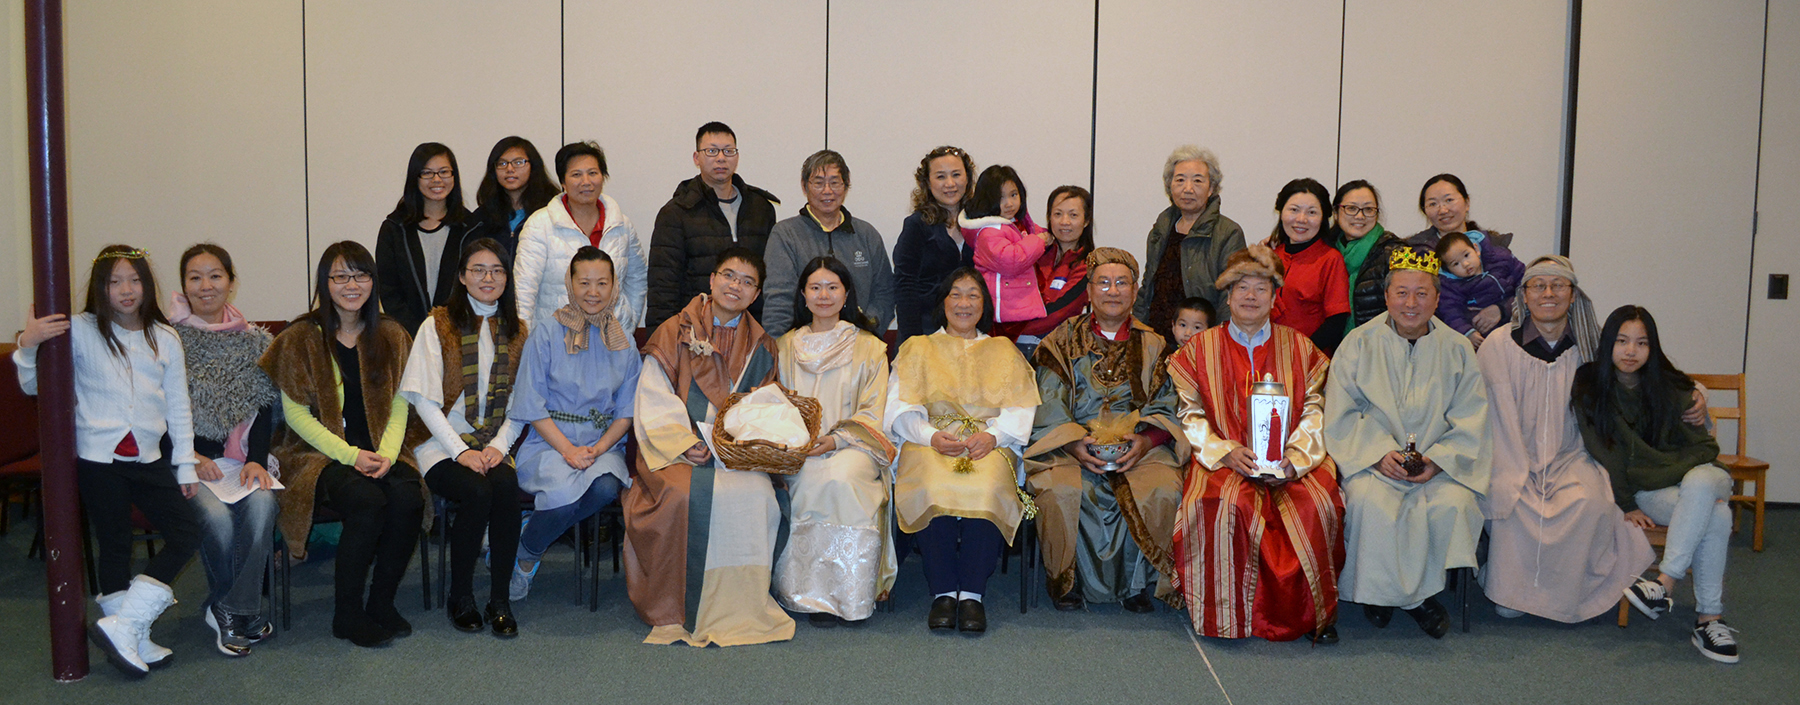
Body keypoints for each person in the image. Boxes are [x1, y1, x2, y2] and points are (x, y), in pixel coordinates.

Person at [14, 245, 201, 675]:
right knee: (114, 542)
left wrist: (185, 463)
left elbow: (179, 406)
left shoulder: (165, 336)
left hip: (149, 456)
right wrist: (27, 343)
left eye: (134, 280)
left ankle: (126, 626)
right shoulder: (79, 330)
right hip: (98, 457)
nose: (126, 290)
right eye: (115, 282)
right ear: (101, 287)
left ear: (146, 284)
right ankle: (131, 635)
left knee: (185, 532)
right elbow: (33, 386)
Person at [1166, 245, 1344, 643]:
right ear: (1228, 296)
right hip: (1224, 459)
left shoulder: (1301, 348)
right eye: (1242, 287)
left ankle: (1311, 615)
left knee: (1317, 504)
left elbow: (1316, 409)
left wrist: (1296, 459)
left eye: (1261, 288)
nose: (1251, 296)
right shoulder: (1198, 350)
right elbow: (1188, 413)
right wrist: (1224, 451)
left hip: (1291, 460)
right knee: (1225, 504)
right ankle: (1227, 616)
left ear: (1274, 296)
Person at [260, 241, 426, 648]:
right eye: (340, 276)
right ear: (325, 282)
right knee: (367, 501)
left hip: (381, 448)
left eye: (360, 275)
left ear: (373, 281)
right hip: (316, 454)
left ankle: (381, 603)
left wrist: (386, 454)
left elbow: (401, 402)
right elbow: (297, 416)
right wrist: (351, 455)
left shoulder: (391, 334)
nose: (352, 285)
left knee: (409, 497)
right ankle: (346, 614)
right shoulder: (300, 337)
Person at [1476, 255, 1656, 623]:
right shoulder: (1499, 345)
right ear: (1524, 295)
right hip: (1512, 454)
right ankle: (1511, 591)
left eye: (1558, 285)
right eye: (1538, 285)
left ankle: (1567, 593)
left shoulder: (1592, 346)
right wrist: (1513, 463)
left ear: (1573, 295)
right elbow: (1484, 411)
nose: (1548, 293)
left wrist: (1696, 394)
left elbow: (1646, 376)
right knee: (1513, 501)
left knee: (1589, 501)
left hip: (1573, 454)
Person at [626, 246, 790, 647]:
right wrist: (683, 443)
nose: (736, 286)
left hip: (737, 453)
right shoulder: (674, 331)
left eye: (747, 282)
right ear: (712, 280)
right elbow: (653, 395)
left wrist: (742, 447)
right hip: (676, 448)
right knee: (681, 496)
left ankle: (742, 605)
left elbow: (765, 408)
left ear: (756, 294)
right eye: (729, 276)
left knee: (758, 495)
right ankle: (678, 608)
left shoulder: (763, 346)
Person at [1324, 247, 1491, 639]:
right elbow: (1341, 412)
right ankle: (1392, 597)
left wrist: (1438, 460)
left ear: (1437, 298)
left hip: (1438, 465)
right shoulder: (1358, 343)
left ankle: (1409, 597)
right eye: (1401, 293)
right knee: (1369, 503)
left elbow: (1471, 416)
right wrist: (1378, 454)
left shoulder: (1458, 349)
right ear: (1386, 296)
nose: (1411, 303)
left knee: (1453, 504)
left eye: (1421, 293)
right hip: (1374, 462)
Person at [1573, 305, 1740, 663]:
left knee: (1700, 481)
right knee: (1718, 516)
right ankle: (1710, 618)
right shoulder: (1590, 387)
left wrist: (1666, 467)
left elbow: (1706, 449)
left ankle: (1664, 583)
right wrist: (1626, 503)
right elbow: (1606, 453)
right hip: (1656, 492)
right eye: (1621, 341)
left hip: (1705, 477)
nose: (1630, 351)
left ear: (1652, 348)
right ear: (1608, 343)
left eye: (1641, 343)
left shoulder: (1670, 386)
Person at [1024, 248, 1187, 613]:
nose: (1113, 291)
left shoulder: (1155, 344)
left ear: (1135, 290)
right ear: (1089, 290)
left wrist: (1146, 441)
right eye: (1104, 283)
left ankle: (1137, 584)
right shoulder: (1060, 340)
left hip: (1138, 448)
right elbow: (1048, 400)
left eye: (1122, 283)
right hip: (1070, 443)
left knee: (1162, 488)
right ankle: (1067, 583)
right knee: (1060, 490)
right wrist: (1073, 444)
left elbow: (1168, 403)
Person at [886, 267, 1040, 634]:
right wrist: (930, 436)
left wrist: (994, 436)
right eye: (955, 294)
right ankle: (943, 592)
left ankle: (972, 594)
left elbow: (1022, 408)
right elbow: (899, 406)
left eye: (973, 295)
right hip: (930, 440)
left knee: (988, 485)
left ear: (984, 304)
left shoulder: (1003, 350)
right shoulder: (918, 347)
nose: (964, 303)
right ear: (942, 302)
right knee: (931, 483)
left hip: (989, 442)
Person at [398, 238, 528, 637]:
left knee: (506, 486)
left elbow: (521, 404)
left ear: (507, 278)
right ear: (461, 276)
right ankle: (461, 596)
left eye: (497, 270)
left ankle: (500, 599)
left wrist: (497, 447)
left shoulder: (519, 330)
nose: (488, 278)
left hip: (491, 443)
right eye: (478, 270)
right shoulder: (437, 325)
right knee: (476, 491)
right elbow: (423, 401)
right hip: (439, 443)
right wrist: (459, 451)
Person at [507, 247, 640, 603]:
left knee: (606, 488)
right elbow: (531, 404)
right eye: (584, 283)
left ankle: (527, 536)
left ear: (614, 286)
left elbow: (626, 412)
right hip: (549, 443)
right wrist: (567, 450)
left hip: (602, 444)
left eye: (602, 283)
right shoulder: (546, 333)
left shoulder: (624, 342)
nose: (593, 292)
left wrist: (598, 448)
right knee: (563, 501)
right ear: (569, 283)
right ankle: (527, 558)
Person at [772, 257, 898, 627]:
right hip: (799, 447)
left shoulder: (870, 348)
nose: (823, 295)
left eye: (832, 287)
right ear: (803, 295)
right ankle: (812, 595)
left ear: (846, 295)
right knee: (809, 478)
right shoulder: (784, 348)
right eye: (815, 287)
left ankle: (849, 594)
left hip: (854, 445)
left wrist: (835, 440)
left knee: (842, 479)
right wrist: (798, 441)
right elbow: (774, 405)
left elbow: (874, 409)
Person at [170, 243, 281, 657]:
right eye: (195, 277)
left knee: (263, 505)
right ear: (184, 285)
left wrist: (256, 460)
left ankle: (228, 608)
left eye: (215, 276)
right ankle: (239, 611)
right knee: (217, 521)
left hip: (240, 461)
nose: (206, 286)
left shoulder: (256, 342)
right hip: (186, 461)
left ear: (231, 283)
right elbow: (155, 412)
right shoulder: (167, 340)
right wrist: (189, 456)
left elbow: (265, 407)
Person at [647, 121, 782, 331]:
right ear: (696, 158)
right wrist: (662, 340)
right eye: (711, 151)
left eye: (728, 151)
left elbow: (770, 279)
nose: (721, 158)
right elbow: (663, 288)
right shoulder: (676, 213)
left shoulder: (761, 208)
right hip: (694, 331)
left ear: (737, 156)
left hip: (750, 330)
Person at [513, 141, 647, 332]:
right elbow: (524, 290)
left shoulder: (621, 225)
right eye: (576, 174)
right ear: (563, 182)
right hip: (557, 338)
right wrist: (526, 340)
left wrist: (629, 323)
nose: (586, 181)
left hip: (612, 338)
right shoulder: (539, 225)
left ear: (603, 177)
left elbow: (637, 278)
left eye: (592, 173)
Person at [761, 150, 895, 337]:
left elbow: (884, 293)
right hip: (802, 346)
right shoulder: (786, 235)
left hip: (858, 342)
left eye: (834, 182)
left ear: (846, 186)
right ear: (804, 186)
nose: (827, 191)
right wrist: (781, 345)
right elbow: (778, 300)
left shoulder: (866, 235)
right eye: (818, 183)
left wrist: (864, 331)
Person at [1136, 145, 1246, 344]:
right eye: (1180, 180)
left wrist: (1221, 345)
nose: (1188, 189)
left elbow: (1231, 297)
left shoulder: (1228, 233)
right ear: (1170, 186)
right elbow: (1147, 287)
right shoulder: (1161, 229)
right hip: (1156, 341)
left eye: (1197, 180)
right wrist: (1136, 333)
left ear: (1211, 188)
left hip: (1202, 342)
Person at [376, 142, 482, 335]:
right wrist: (420, 333)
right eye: (427, 173)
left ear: (454, 176)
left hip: (460, 334)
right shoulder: (394, 229)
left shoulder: (471, 227)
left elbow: (477, 285)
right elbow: (389, 290)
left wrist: (449, 331)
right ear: (414, 178)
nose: (436, 179)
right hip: (408, 335)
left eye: (444, 172)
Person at [893, 145, 977, 348]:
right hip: (924, 334)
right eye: (940, 176)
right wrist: (914, 342)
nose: (950, 184)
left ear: (967, 178)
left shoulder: (980, 223)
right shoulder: (916, 225)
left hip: (971, 335)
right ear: (927, 183)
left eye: (956, 174)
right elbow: (905, 285)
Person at [992, 185, 1095, 347]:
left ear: (1086, 220)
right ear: (1049, 217)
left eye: (1073, 215)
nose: (1065, 222)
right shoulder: (1035, 249)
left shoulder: (1087, 266)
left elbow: (1057, 315)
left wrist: (1011, 325)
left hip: (1052, 346)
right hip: (1008, 341)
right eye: (1058, 214)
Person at [1267, 178, 1351, 355]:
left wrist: (1301, 354)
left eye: (1312, 212)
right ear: (1281, 212)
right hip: (1268, 356)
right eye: (1294, 210)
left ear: (1323, 218)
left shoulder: (1330, 259)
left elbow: (1336, 321)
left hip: (1311, 359)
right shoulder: (1270, 256)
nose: (1301, 219)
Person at [966, 165, 1049, 329]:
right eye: (1000, 198)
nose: (1009, 203)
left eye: (1014, 194)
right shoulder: (989, 232)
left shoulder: (1015, 223)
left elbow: (1033, 232)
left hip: (1017, 308)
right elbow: (1011, 261)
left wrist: (1048, 234)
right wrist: (1040, 241)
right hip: (1003, 315)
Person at [1333, 180, 1405, 332]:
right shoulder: (1327, 251)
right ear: (1335, 213)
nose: (1360, 216)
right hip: (1335, 344)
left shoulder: (1395, 252)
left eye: (1368, 209)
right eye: (1351, 208)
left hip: (1381, 342)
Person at [469, 136, 560, 255]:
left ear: (533, 166)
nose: (509, 169)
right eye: (502, 163)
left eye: (518, 162)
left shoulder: (551, 212)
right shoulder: (481, 218)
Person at [1434, 231, 1524, 349]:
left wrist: (1506, 308)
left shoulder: (1500, 259)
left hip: (1516, 319)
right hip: (1484, 332)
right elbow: (1451, 312)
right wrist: (1468, 332)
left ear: (1476, 249)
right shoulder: (1452, 286)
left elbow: (1525, 282)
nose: (1465, 264)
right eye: (1456, 264)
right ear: (1449, 270)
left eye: (1466, 255)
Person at [1405, 173, 1514, 250]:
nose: (1443, 210)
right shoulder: (1414, 250)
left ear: (1467, 203)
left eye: (1449, 200)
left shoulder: (1493, 245)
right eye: (1433, 204)